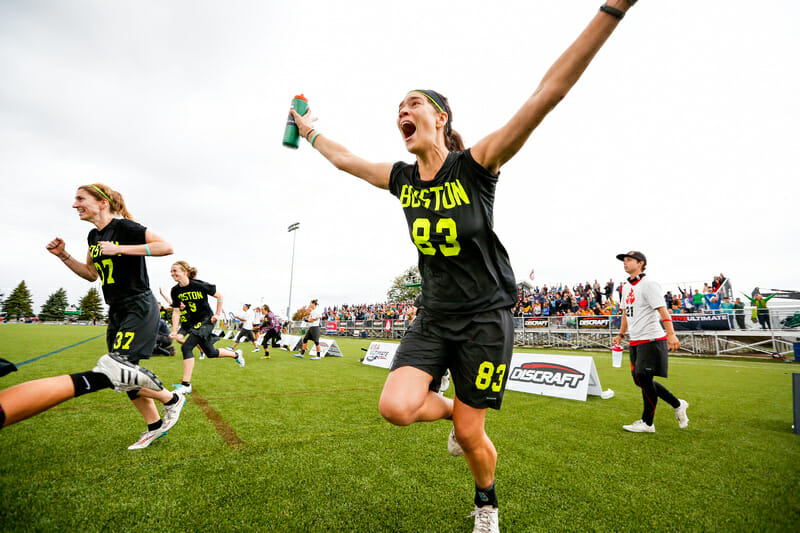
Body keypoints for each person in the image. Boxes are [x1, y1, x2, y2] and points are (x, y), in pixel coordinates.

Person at [290, 3, 641, 529]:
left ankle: (486, 503)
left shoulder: (476, 166)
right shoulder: (402, 178)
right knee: (395, 407)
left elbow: (547, 94)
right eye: (397, 110)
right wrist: (309, 129)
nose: (401, 113)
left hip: (485, 317)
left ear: (440, 117)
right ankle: (456, 410)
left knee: (474, 439)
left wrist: (614, 9)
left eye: (412, 104)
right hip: (434, 315)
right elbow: (345, 160)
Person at [12, 183, 187, 449]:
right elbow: (92, 274)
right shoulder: (93, 236)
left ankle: (172, 400)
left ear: (102, 203)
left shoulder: (125, 227)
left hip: (138, 305)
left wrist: (121, 249)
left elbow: (166, 247)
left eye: (81, 199)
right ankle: (154, 426)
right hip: (116, 309)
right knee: (120, 375)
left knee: (119, 366)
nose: (74, 205)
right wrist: (63, 256)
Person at [612, 251, 689, 434]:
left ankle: (648, 423)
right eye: (624, 260)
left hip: (651, 339)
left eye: (629, 260)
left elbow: (662, 310)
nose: (625, 263)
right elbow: (625, 313)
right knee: (640, 380)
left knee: (644, 379)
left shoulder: (649, 284)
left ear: (641, 263)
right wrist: (621, 334)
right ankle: (677, 404)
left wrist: (671, 334)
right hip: (636, 340)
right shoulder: (625, 287)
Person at [169, 261, 245, 395]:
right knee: (211, 353)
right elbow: (176, 311)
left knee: (186, 347)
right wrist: (174, 331)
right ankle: (236, 354)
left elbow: (219, 296)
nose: (173, 273)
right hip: (194, 323)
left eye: (175, 271)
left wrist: (217, 314)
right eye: (171, 271)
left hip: (206, 321)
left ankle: (186, 384)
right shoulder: (175, 291)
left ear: (184, 272)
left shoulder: (199, 285)